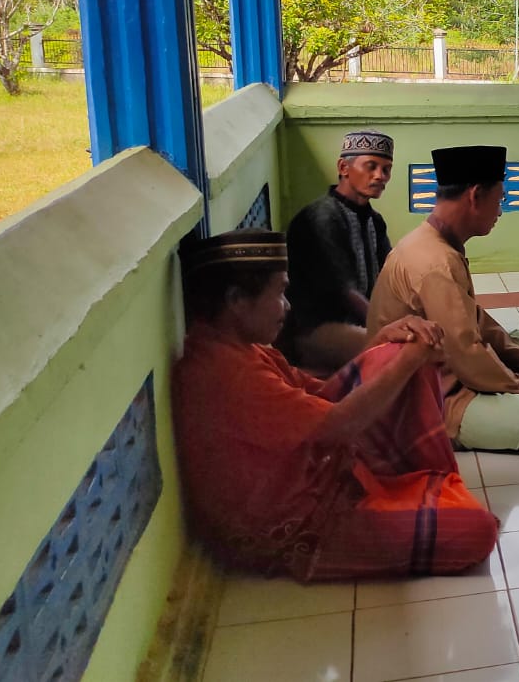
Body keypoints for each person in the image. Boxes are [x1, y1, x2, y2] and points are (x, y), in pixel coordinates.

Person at [173, 230, 498, 582]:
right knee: (476, 531)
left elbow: (319, 394)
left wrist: (381, 345)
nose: (287, 306)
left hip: (315, 475)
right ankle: (404, 490)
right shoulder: (226, 372)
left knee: (396, 355)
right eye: (280, 292)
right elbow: (338, 422)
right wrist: (410, 358)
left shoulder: (241, 348)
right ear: (236, 299)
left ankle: (406, 484)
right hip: (295, 524)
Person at [368, 145, 519, 452]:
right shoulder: (435, 262)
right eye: (499, 199)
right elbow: (465, 353)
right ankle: (451, 428)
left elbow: (474, 321)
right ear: (476, 196)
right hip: (427, 395)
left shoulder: (434, 242)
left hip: (445, 368)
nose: (501, 211)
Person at [281, 129, 395, 372]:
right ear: (344, 167)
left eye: (386, 169)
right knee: (398, 353)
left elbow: (390, 276)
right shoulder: (320, 217)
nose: (380, 176)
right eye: (371, 166)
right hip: (313, 330)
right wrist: (386, 327)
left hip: (359, 323)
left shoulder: (375, 221)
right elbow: (344, 292)